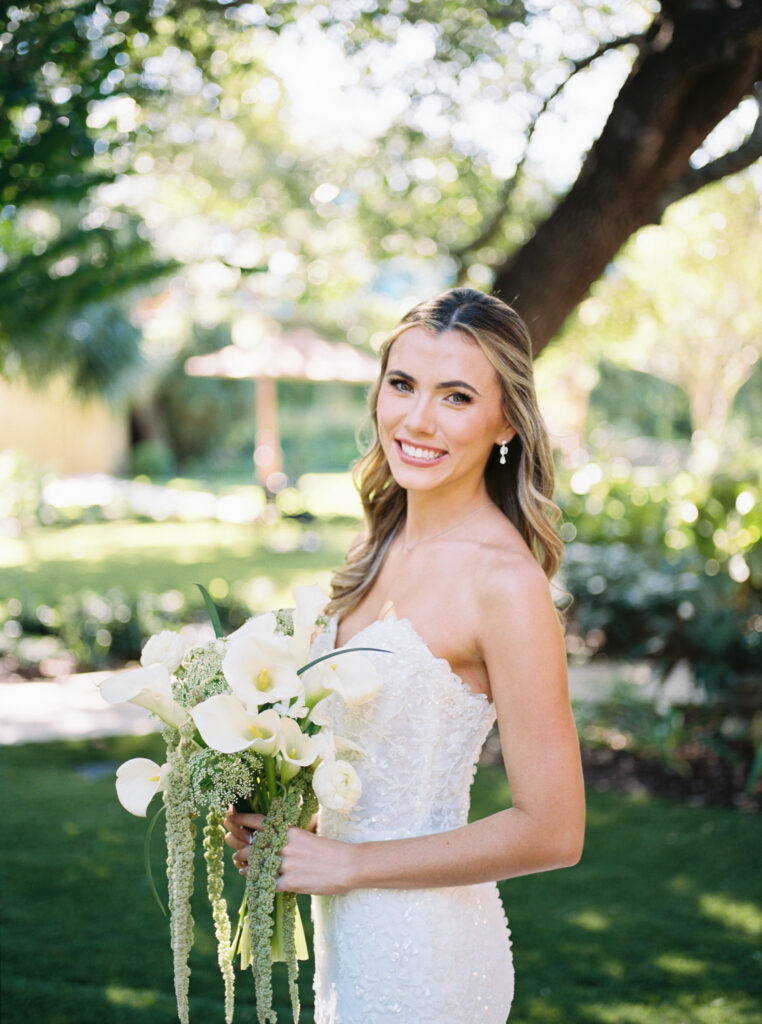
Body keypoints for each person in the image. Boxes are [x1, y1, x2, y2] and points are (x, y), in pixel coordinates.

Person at [224, 287, 586, 1023]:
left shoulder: (505, 583)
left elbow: (554, 830)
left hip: (429, 954)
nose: (416, 420)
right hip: (348, 935)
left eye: (456, 397)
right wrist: (292, 824)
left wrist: (352, 865)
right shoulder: (381, 543)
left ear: (506, 421)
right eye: (403, 385)